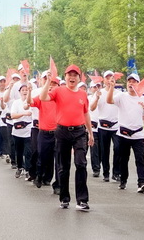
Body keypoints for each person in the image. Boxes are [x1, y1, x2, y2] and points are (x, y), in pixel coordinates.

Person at [40, 64, 94, 211]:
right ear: (65, 77)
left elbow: (86, 113)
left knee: (81, 163)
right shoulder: (58, 90)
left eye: (75, 75)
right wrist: (47, 81)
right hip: (62, 132)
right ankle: (64, 198)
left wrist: (90, 132)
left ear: (79, 77)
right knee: (63, 167)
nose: (72, 77)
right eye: (69, 75)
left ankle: (82, 200)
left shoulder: (83, 94)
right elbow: (43, 97)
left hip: (79, 132)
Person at [106, 73, 144, 192]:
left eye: (134, 81)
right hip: (123, 134)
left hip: (138, 134)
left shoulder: (143, 98)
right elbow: (109, 100)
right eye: (129, 81)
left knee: (140, 159)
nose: (131, 83)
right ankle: (123, 180)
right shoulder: (122, 96)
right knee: (123, 159)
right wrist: (111, 87)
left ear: (138, 83)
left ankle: (142, 182)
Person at [27, 72, 59, 193]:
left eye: (54, 84)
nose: (51, 86)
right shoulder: (42, 98)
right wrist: (29, 91)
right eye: (49, 84)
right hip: (44, 132)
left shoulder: (60, 99)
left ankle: (57, 184)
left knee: (57, 160)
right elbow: (30, 102)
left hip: (58, 133)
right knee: (42, 155)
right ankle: (39, 176)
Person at [91, 71, 120, 182]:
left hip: (116, 126)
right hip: (103, 125)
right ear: (104, 80)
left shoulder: (119, 93)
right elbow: (92, 108)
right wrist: (97, 98)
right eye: (107, 78)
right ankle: (106, 173)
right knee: (104, 151)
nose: (109, 80)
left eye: (111, 78)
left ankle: (116, 172)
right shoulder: (99, 93)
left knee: (118, 148)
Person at [10, 83, 33, 179]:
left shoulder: (31, 102)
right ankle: (20, 167)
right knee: (18, 151)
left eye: (26, 90)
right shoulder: (16, 102)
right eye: (22, 90)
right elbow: (13, 115)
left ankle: (27, 169)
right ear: (19, 92)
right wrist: (24, 114)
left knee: (28, 151)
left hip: (28, 129)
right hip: (17, 130)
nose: (24, 91)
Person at [88, 82, 101, 177]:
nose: (95, 88)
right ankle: (96, 168)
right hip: (93, 127)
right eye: (93, 87)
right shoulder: (88, 98)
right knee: (94, 149)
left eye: (97, 86)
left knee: (102, 150)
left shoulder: (105, 97)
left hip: (104, 127)